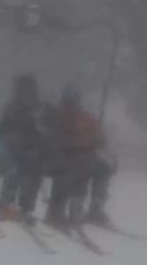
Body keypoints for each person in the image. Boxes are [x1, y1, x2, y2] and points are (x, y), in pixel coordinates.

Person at [46, 83, 114, 229]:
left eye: (74, 99)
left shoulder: (86, 117)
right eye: (69, 99)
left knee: (104, 168)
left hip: (85, 156)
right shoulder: (55, 116)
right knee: (70, 170)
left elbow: (100, 138)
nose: (72, 103)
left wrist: (98, 147)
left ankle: (94, 208)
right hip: (62, 157)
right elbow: (54, 140)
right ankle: (56, 211)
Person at [0, 74, 55, 223]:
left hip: (35, 151)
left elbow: (50, 130)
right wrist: (12, 140)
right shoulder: (12, 108)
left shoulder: (41, 108)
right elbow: (3, 129)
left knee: (32, 176)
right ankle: (6, 203)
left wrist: (43, 142)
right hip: (15, 150)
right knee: (14, 172)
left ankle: (26, 207)